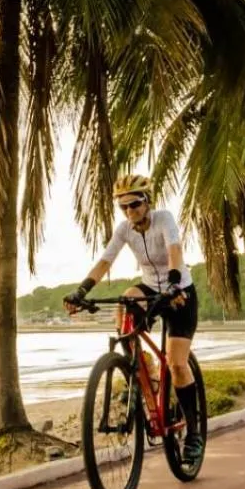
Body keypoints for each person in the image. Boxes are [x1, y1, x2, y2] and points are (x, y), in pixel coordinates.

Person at [65, 174, 203, 466]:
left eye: (135, 205)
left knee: (178, 364)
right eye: (123, 207)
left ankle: (194, 432)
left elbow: (174, 251)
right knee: (126, 301)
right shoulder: (124, 230)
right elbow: (105, 261)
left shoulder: (163, 219)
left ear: (147, 201)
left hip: (180, 292)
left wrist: (175, 283)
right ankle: (144, 371)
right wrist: (82, 290)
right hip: (151, 288)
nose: (130, 212)